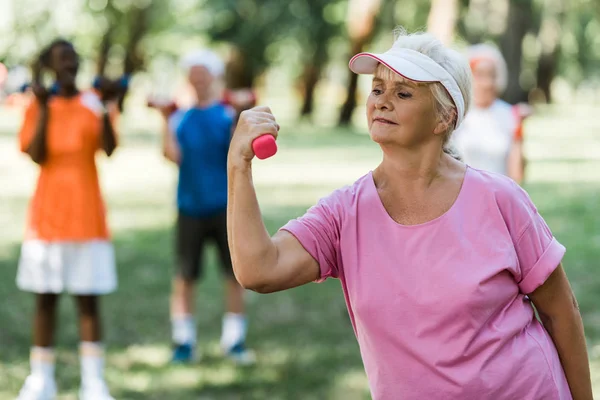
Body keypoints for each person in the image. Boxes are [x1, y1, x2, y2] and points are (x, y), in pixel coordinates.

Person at [226, 28, 593, 399]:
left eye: (403, 93)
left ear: (444, 118)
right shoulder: (343, 214)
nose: (382, 101)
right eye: (377, 89)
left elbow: (561, 312)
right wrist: (238, 166)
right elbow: (259, 269)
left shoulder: (501, 199)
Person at [16, 39, 121, 400]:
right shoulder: (38, 106)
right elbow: (35, 153)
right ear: (50, 66)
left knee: (87, 299)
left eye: (74, 58)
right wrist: (44, 108)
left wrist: (108, 105)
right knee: (45, 298)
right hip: (47, 217)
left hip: (87, 216)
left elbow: (109, 147)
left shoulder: (92, 102)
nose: (70, 65)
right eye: (62, 60)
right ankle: (40, 380)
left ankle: (94, 382)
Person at [159, 49, 255, 365]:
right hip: (189, 208)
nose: (198, 79)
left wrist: (241, 113)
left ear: (213, 77)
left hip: (224, 208)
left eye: (203, 73)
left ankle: (234, 341)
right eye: (193, 73)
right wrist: (163, 120)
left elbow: (237, 154)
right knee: (185, 277)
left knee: (235, 275)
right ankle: (184, 341)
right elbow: (172, 156)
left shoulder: (228, 114)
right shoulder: (179, 117)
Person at [451, 43, 528, 184]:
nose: (487, 83)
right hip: (463, 196)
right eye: (480, 75)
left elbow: (517, 176)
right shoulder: (456, 115)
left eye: (491, 75)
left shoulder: (509, 114)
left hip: (499, 195)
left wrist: (519, 129)